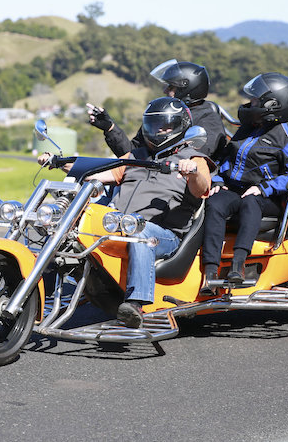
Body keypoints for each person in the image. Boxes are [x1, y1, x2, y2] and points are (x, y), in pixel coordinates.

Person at [40, 97, 212, 328]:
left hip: (163, 235)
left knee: (140, 235)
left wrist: (192, 173)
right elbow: (99, 171)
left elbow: (202, 188)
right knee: (63, 226)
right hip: (118, 225)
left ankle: (135, 304)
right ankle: (40, 290)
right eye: (153, 125)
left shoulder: (193, 159)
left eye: (165, 125)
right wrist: (59, 162)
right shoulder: (135, 157)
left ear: (180, 126)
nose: (158, 130)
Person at [199, 72, 288, 292]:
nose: (249, 103)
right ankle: (210, 273)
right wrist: (217, 180)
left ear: (273, 104)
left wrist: (264, 188)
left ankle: (238, 266)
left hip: (267, 197)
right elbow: (226, 160)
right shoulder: (248, 127)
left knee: (250, 203)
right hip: (235, 189)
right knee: (215, 204)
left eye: (254, 99)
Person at [86, 59, 227, 159]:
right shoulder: (163, 114)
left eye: (171, 87)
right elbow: (132, 153)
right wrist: (110, 129)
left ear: (187, 89)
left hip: (179, 186)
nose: (165, 90)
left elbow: (194, 158)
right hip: (151, 178)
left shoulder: (208, 119)